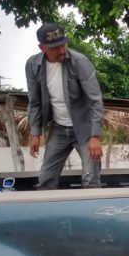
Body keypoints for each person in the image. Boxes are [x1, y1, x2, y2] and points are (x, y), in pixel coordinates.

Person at [26, 22, 104, 189]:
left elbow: (95, 100)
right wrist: (35, 132)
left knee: (91, 180)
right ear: (42, 47)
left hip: (85, 130)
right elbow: (35, 102)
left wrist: (95, 136)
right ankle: (48, 214)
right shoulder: (33, 65)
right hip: (59, 129)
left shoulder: (80, 62)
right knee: (46, 178)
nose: (61, 50)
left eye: (63, 45)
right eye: (55, 47)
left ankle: (92, 213)